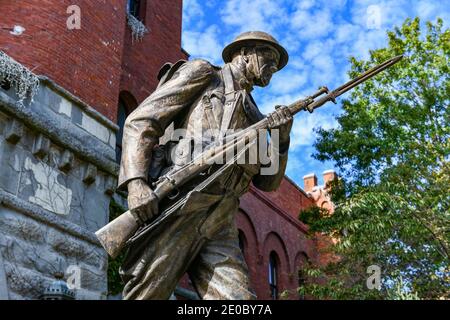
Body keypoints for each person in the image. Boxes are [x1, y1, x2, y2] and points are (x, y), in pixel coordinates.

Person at [117, 31, 293, 300]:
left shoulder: (255, 116)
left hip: (220, 219)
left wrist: (281, 138)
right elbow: (142, 122)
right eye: (269, 57)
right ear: (245, 53)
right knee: (146, 295)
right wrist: (136, 183)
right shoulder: (204, 74)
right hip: (180, 204)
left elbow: (267, 182)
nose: (273, 67)